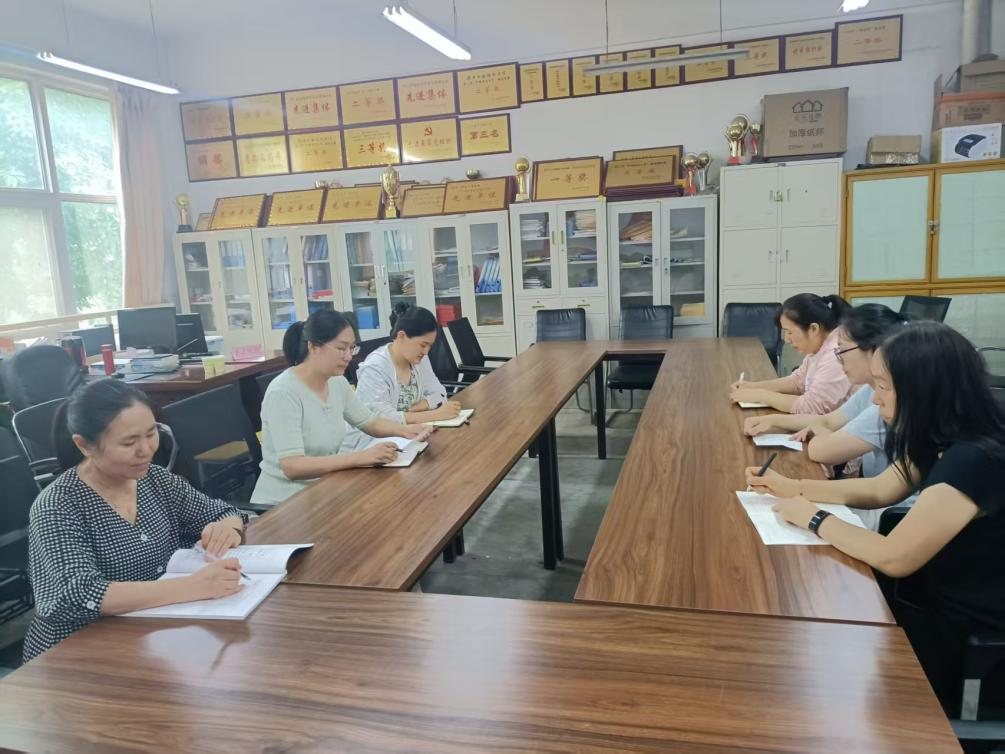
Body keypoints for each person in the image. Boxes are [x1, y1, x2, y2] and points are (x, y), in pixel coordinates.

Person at [744, 323, 1005, 711]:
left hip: (959, 613)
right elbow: (879, 490)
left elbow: (894, 557)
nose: (875, 398)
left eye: (883, 386)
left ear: (924, 390)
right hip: (930, 588)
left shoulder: (973, 458)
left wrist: (814, 519)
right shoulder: (938, 434)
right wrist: (792, 488)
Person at [25, 379, 249, 662]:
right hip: (80, 652)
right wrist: (195, 586)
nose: (146, 450)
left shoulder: (154, 479)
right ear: (84, 445)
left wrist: (226, 528)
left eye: (151, 433)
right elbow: (79, 593)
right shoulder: (58, 505)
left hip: (153, 632)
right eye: (129, 442)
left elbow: (223, 512)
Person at [743, 304, 909, 527]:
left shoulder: (891, 403)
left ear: (874, 350)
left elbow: (823, 450)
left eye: (842, 351)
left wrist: (821, 433)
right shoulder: (872, 390)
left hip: (887, 515)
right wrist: (773, 421)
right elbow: (828, 420)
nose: (838, 359)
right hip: (872, 500)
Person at [252, 309, 430, 506]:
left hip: (325, 490)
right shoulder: (283, 392)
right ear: (313, 346)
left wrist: (406, 430)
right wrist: (361, 457)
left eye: (352, 348)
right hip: (283, 504)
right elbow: (292, 466)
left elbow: (369, 422)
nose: (348, 357)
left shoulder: (336, 382)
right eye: (341, 348)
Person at [342, 304, 461, 453]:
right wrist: (434, 414)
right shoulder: (375, 368)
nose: (426, 352)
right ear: (401, 336)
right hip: (368, 446)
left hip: (407, 439)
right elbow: (380, 419)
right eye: (423, 345)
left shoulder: (419, 359)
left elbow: (440, 393)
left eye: (430, 346)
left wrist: (424, 404)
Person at [730, 293, 853, 414]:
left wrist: (761, 395)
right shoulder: (820, 346)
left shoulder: (835, 354)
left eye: (789, 332)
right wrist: (753, 387)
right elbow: (797, 381)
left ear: (813, 329)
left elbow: (813, 407)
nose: (786, 340)